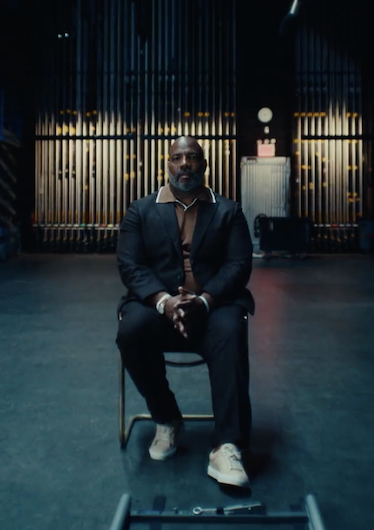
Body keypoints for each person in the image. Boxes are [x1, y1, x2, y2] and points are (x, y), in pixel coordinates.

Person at [116, 135, 255, 488]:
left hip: (214, 307)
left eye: (192, 158)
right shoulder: (141, 210)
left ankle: (227, 445)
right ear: (167, 164)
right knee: (131, 330)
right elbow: (130, 265)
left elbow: (238, 265)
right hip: (158, 307)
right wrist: (165, 302)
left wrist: (204, 300)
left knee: (230, 330)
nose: (184, 165)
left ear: (204, 165)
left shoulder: (228, 211)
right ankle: (167, 418)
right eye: (177, 158)